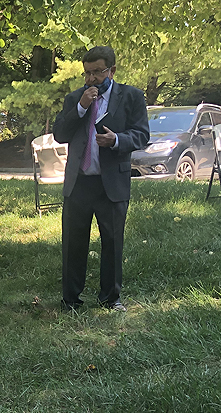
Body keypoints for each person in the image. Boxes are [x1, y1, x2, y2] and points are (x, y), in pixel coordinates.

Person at [53, 46, 149, 312]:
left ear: (112, 70)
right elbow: (60, 133)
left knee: (113, 242)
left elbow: (141, 135)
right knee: (73, 243)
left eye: (97, 72)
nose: (91, 78)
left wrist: (117, 140)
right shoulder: (75, 98)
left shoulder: (131, 96)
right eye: (87, 73)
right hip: (79, 182)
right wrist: (81, 108)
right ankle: (71, 299)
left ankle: (110, 298)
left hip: (112, 184)